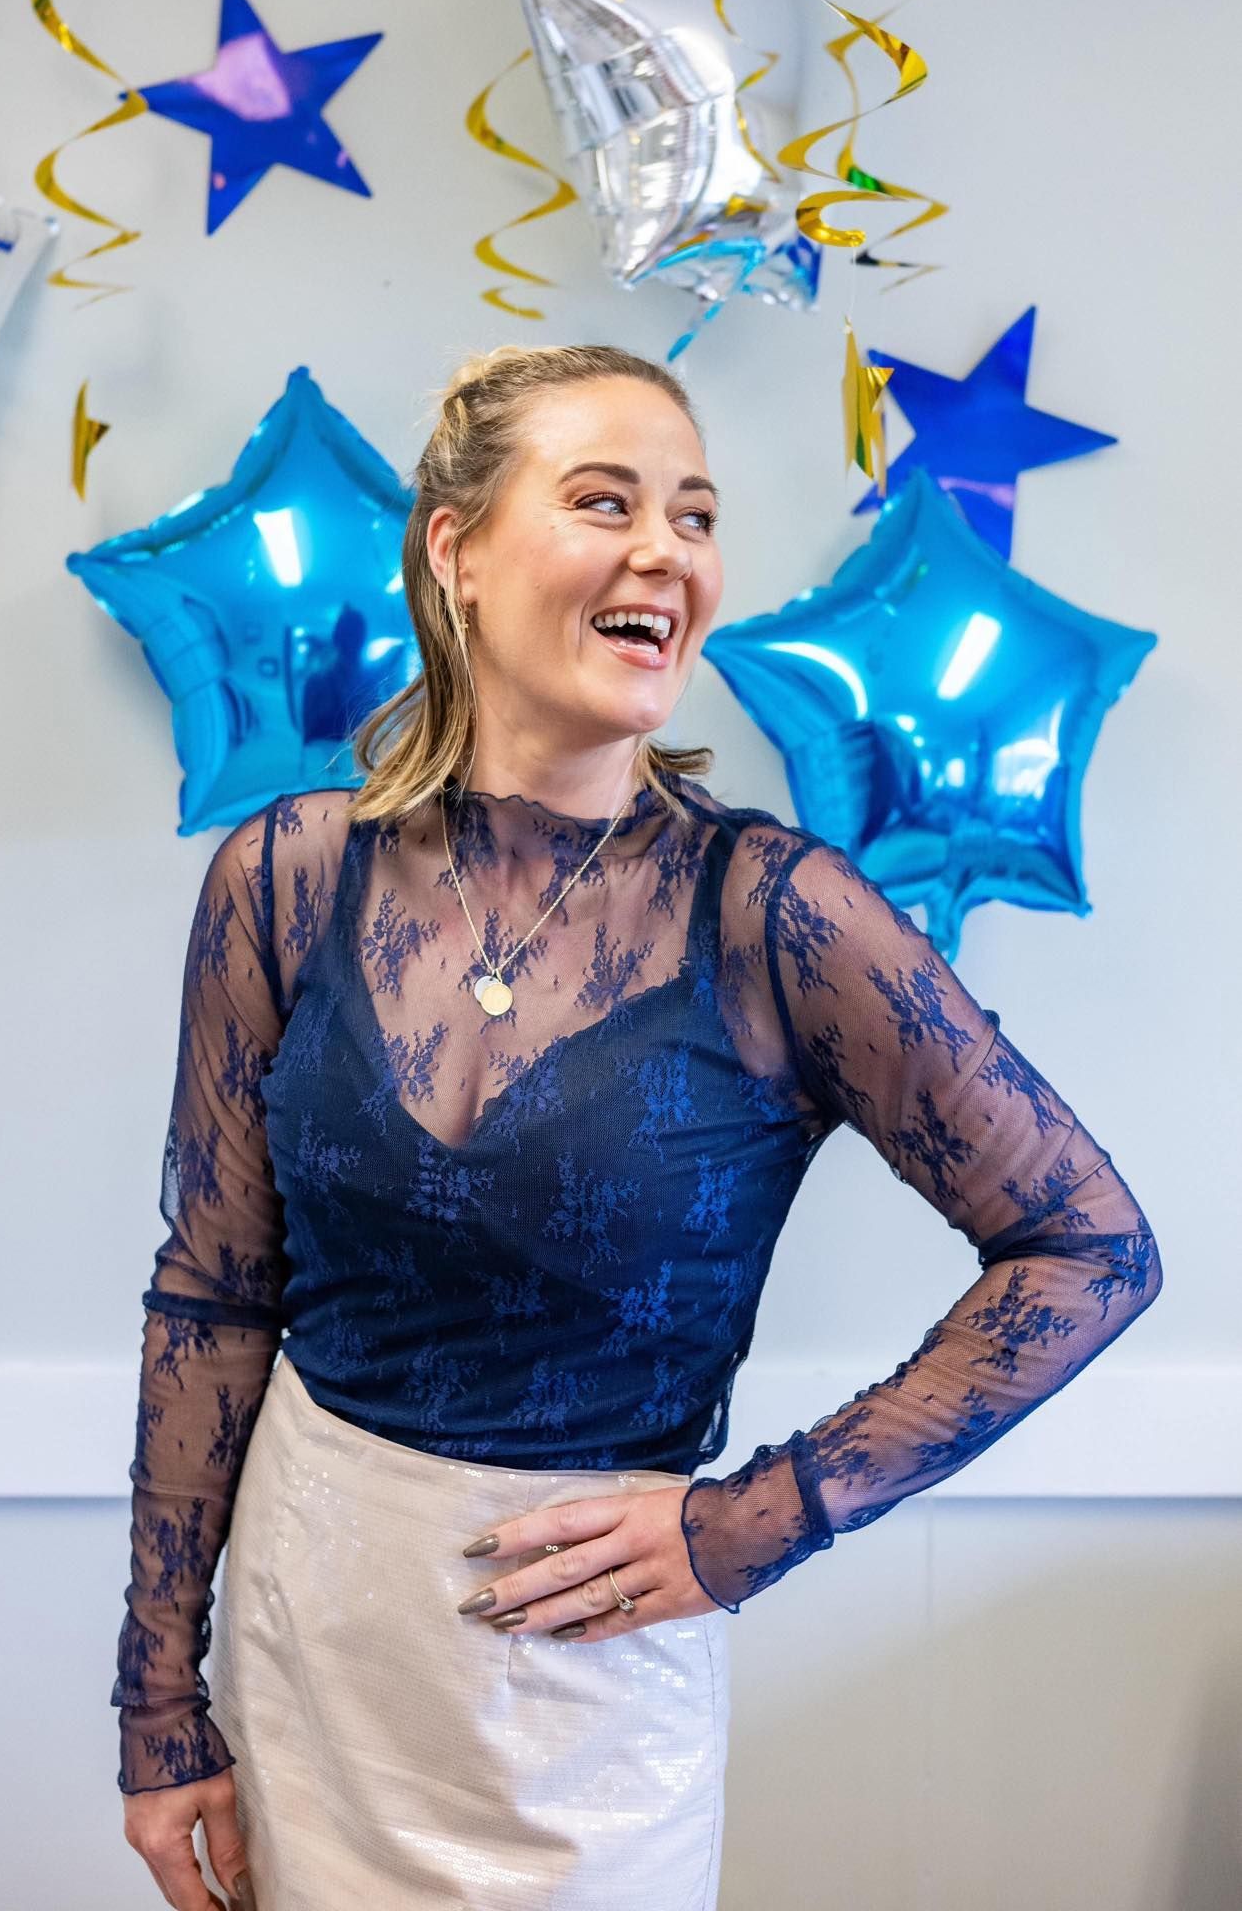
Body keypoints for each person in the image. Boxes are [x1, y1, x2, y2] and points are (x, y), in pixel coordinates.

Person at [113, 343, 1163, 1910]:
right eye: (601, 501)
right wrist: (156, 1708)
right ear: (454, 551)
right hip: (303, 1638)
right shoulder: (280, 881)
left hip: (585, 1707)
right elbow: (211, 1298)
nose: (662, 552)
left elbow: (1089, 1251)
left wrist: (759, 1522)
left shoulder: (777, 915)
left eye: (692, 515)